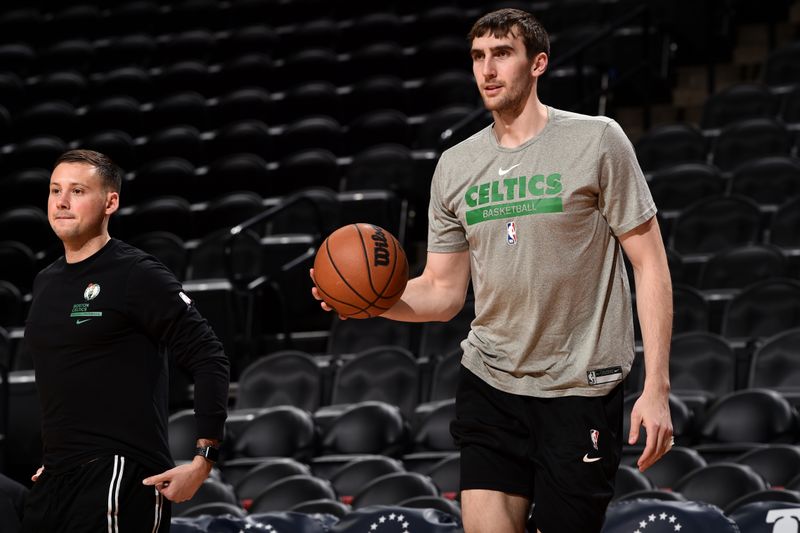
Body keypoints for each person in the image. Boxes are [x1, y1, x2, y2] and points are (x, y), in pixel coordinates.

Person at [312, 8, 673, 533]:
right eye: (479, 56)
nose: (488, 69)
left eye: (502, 54)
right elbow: (442, 291)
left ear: (538, 64)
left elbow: (651, 265)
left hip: (579, 387)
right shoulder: (455, 166)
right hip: (490, 380)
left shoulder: (598, 140)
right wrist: (370, 302)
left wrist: (657, 386)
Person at [21, 150, 230, 532]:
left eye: (78, 190)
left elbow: (208, 355)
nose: (62, 202)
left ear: (110, 202)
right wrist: (59, 460)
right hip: (55, 479)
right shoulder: (45, 281)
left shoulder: (137, 273)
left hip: (119, 476)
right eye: (55, 190)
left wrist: (203, 460)